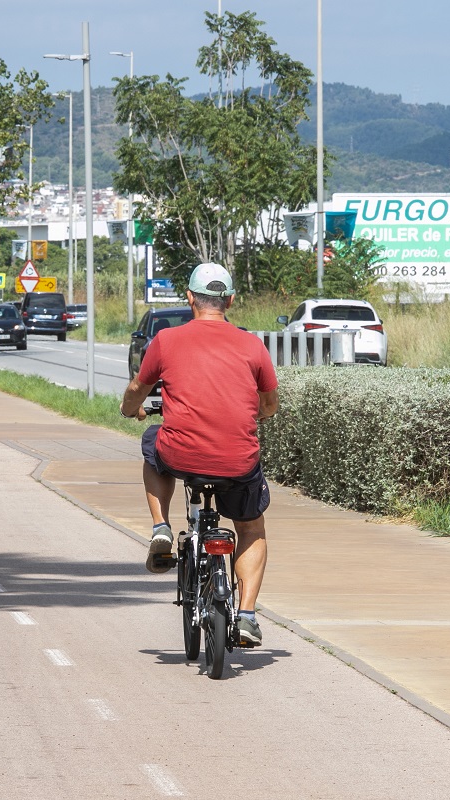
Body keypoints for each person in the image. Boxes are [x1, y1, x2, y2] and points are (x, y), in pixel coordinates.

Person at [119, 262, 278, 647]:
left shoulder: (167, 341)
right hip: (238, 461)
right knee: (251, 528)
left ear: (189, 298)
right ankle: (247, 615)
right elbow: (269, 405)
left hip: (181, 455)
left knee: (152, 442)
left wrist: (132, 408)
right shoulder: (252, 345)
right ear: (230, 300)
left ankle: (161, 527)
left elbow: (138, 389)